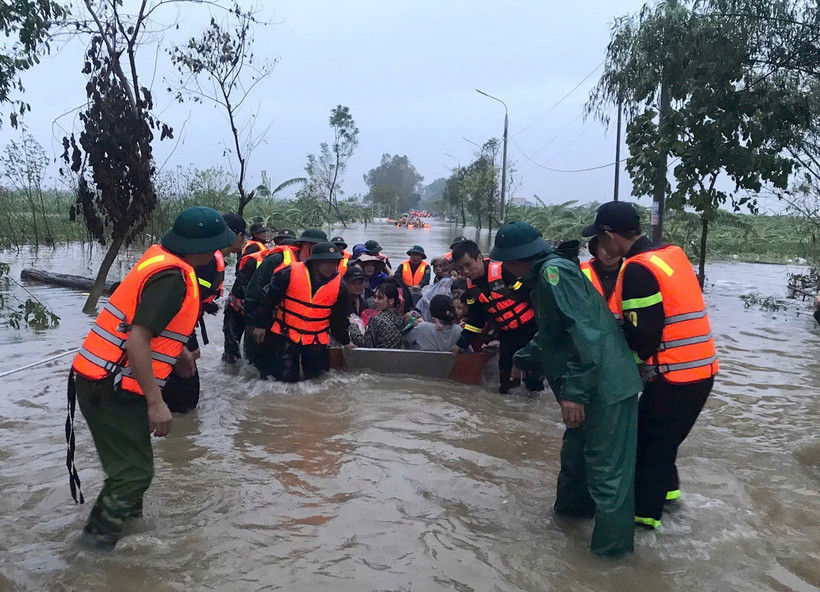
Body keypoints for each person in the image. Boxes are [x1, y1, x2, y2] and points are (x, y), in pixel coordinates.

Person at [67, 206, 235, 549]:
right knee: (133, 474)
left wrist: (181, 353)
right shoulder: (172, 277)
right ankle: (90, 552)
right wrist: (157, 403)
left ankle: (126, 536)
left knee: (133, 469)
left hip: (103, 380)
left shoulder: (163, 262)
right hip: (111, 385)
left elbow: (145, 325)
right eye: (216, 245)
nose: (220, 251)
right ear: (199, 246)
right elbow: (137, 340)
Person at [487, 221, 642, 557]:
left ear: (515, 260)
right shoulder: (547, 277)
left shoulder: (554, 275)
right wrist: (522, 357)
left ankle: (611, 559)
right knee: (575, 460)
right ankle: (569, 526)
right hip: (591, 383)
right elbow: (554, 333)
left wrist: (574, 393)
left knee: (607, 474)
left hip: (604, 387)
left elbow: (586, 335)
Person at [582, 201, 719, 530]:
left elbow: (644, 338)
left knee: (646, 449)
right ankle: (670, 501)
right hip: (702, 370)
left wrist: (616, 371)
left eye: (601, 238)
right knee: (663, 443)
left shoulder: (638, 269)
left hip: (672, 376)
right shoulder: (671, 254)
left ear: (610, 235)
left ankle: (644, 525)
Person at [450, 239, 542, 394]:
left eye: (468, 265)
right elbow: (476, 321)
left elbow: (530, 296)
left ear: (479, 258)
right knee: (505, 382)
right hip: (506, 334)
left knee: (533, 382)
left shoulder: (503, 271)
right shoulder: (471, 288)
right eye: (460, 268)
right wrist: (461, 344)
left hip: (530, 329)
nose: (466, 271)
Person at [252, 241, 351, 382]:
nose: (331, 266)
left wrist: (345, 341)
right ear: (315, 262)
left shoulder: (340, 287)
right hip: (285, 334)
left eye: (334, 262)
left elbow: (339, 319)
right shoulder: (288, 273)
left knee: (316, 381)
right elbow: (268, 300)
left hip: (315, 340)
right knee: (283, 380)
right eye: (327, 262)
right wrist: (260, 325)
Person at [243, 229, 328, 377]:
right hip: (264, 319)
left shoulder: (318, 268)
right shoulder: (277, 259)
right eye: (315, 248)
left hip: (289, 324)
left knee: (288, 371)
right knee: (257, 368)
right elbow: (254, 291)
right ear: (304, 245)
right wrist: (256, 325)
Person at [349, 281, 404, 348]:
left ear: (391, 301)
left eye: (380, 298)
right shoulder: (400, 318)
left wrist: (353, 326)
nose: (375, 301)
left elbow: (364, 344)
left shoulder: (377, 320)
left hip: (380, 354)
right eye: (375, 297)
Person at [580, 235, 621, 307]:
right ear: (596, 249)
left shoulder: (633, 272)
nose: (609, 253)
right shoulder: (580, 270)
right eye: (605, 247)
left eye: (614, 248)